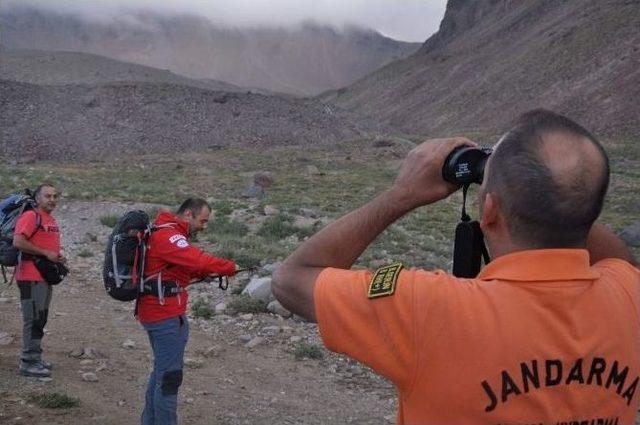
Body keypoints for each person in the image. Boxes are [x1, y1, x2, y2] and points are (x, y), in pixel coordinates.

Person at [273, 109, 640, 423]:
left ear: (490, 209)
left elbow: (292, 279)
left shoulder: (426, 308)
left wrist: (401, 195)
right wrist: (561, 196)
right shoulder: (628, 293)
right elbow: (617, 259)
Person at [137, 198, 237, 425]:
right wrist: (229, 267)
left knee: (161, 373)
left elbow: (173, 268)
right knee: (169, 379)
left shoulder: (162, 231)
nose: (204, 226)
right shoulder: (169, 235)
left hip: (155, 312)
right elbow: (197, 259)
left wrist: (196, 275)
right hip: (165, 316)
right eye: (203, 220)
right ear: (189, 214)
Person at [12, 184, 65, 378]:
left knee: (40, 318)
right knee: (32, 319)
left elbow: (45, 246)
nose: (52, 199)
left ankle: (35, 357)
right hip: (30, 276)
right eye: (47, 196)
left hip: (44, 277)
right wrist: (45, 253)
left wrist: (57, 256)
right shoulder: (30, 216)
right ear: (37, 199)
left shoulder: (50, 219)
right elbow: (18, 241)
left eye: (55, 196)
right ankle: (28, 362)